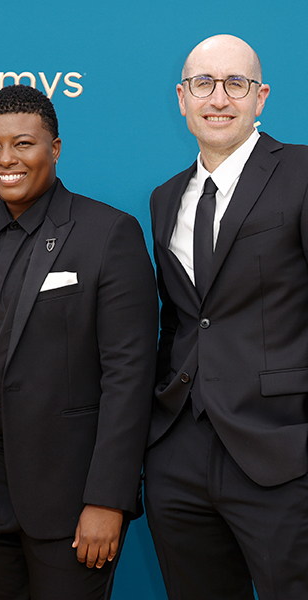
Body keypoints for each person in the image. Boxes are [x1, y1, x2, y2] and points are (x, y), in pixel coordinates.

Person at [0, 85, 157, 599]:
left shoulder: (109, 232)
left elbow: (130, 377)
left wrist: (109, 498)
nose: (6, 160)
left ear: (55, 149)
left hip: (71, 491)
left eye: (23, 143)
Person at [146, 34, 308, 599]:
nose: (219, 98)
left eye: (235, 84)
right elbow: (183, 318)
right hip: (179, 451)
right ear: (182, 97)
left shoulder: (301, 171)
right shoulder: (165, 198)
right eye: (203, 84)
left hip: (281, 448)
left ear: (260, 97)